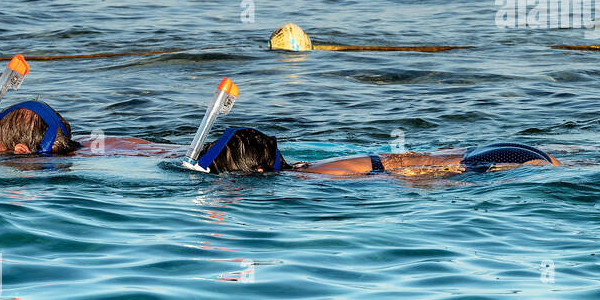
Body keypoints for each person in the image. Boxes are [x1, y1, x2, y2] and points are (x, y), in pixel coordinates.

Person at [191, 127, 559, 177]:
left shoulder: (308, 178)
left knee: (549, 170)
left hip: (483, 163)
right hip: (484, 151)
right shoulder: (304, 168)